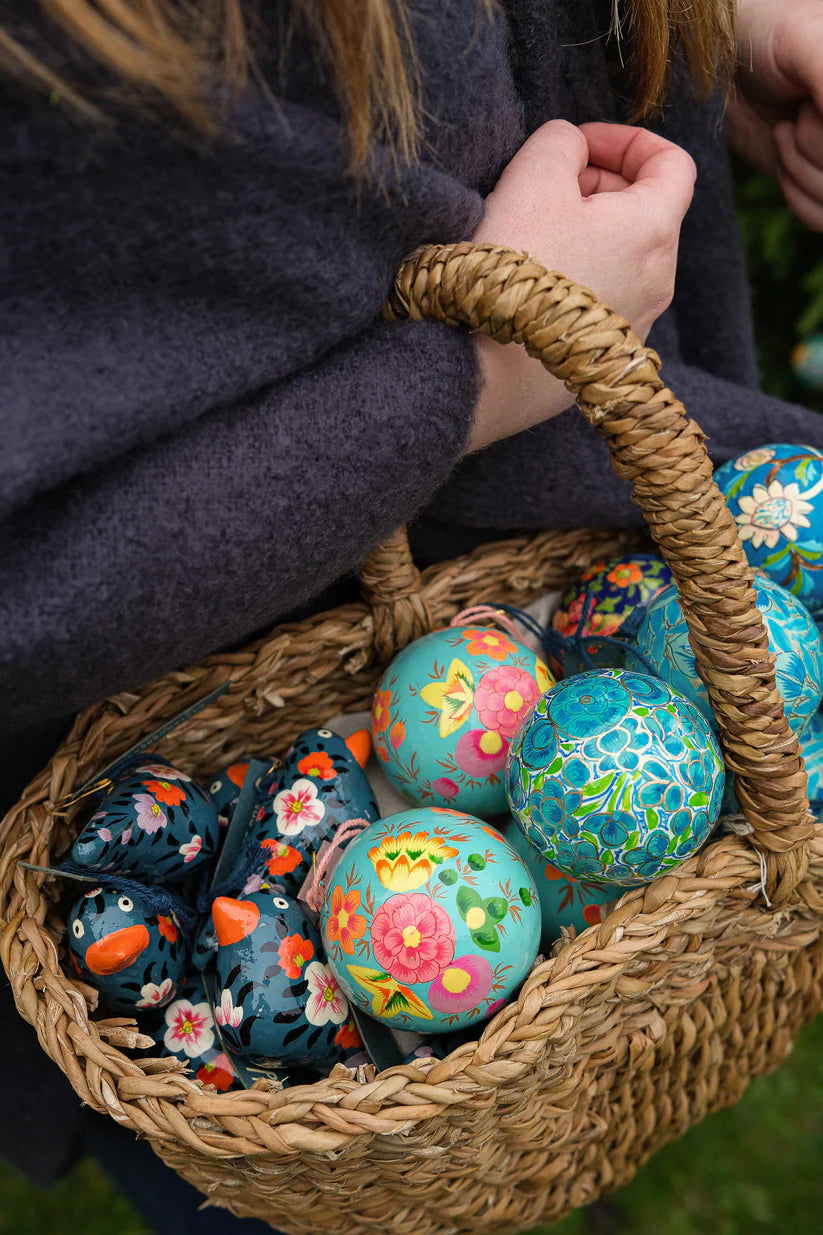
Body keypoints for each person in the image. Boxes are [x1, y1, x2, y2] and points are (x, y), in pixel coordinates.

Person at [1, 0, 822, 1229]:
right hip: (210, 719)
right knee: (337, 1156)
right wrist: (479, 373)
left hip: (546, 551)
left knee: (539, 1099)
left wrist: (708, 28)